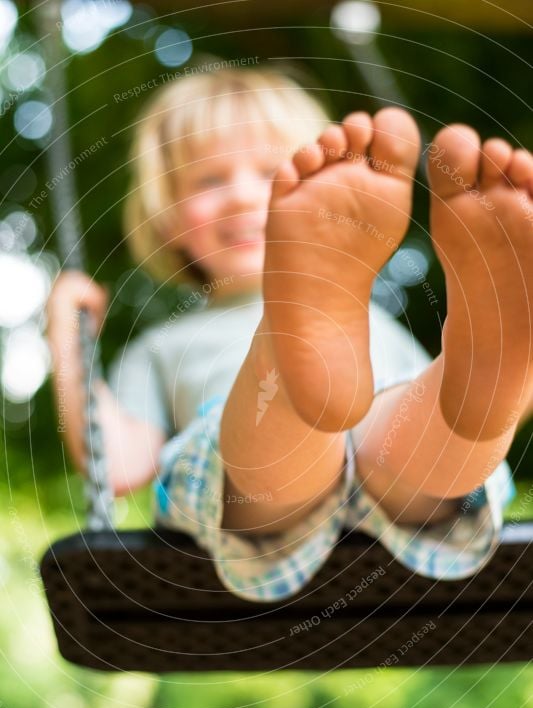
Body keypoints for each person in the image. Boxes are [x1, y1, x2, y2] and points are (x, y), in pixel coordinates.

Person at [47, 67, 533, 602]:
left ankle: (490, 351)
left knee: (429, 410)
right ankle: (288, 353)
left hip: (396, 462)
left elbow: (444, 405)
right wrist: (69, 338)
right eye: (209, 181)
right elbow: (116, 464)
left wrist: (493, 381)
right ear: (164, 215)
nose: (239, 196)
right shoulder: (162, 347)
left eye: (269, 172)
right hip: (259, 502)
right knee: (277, 437)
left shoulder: (370, 320)